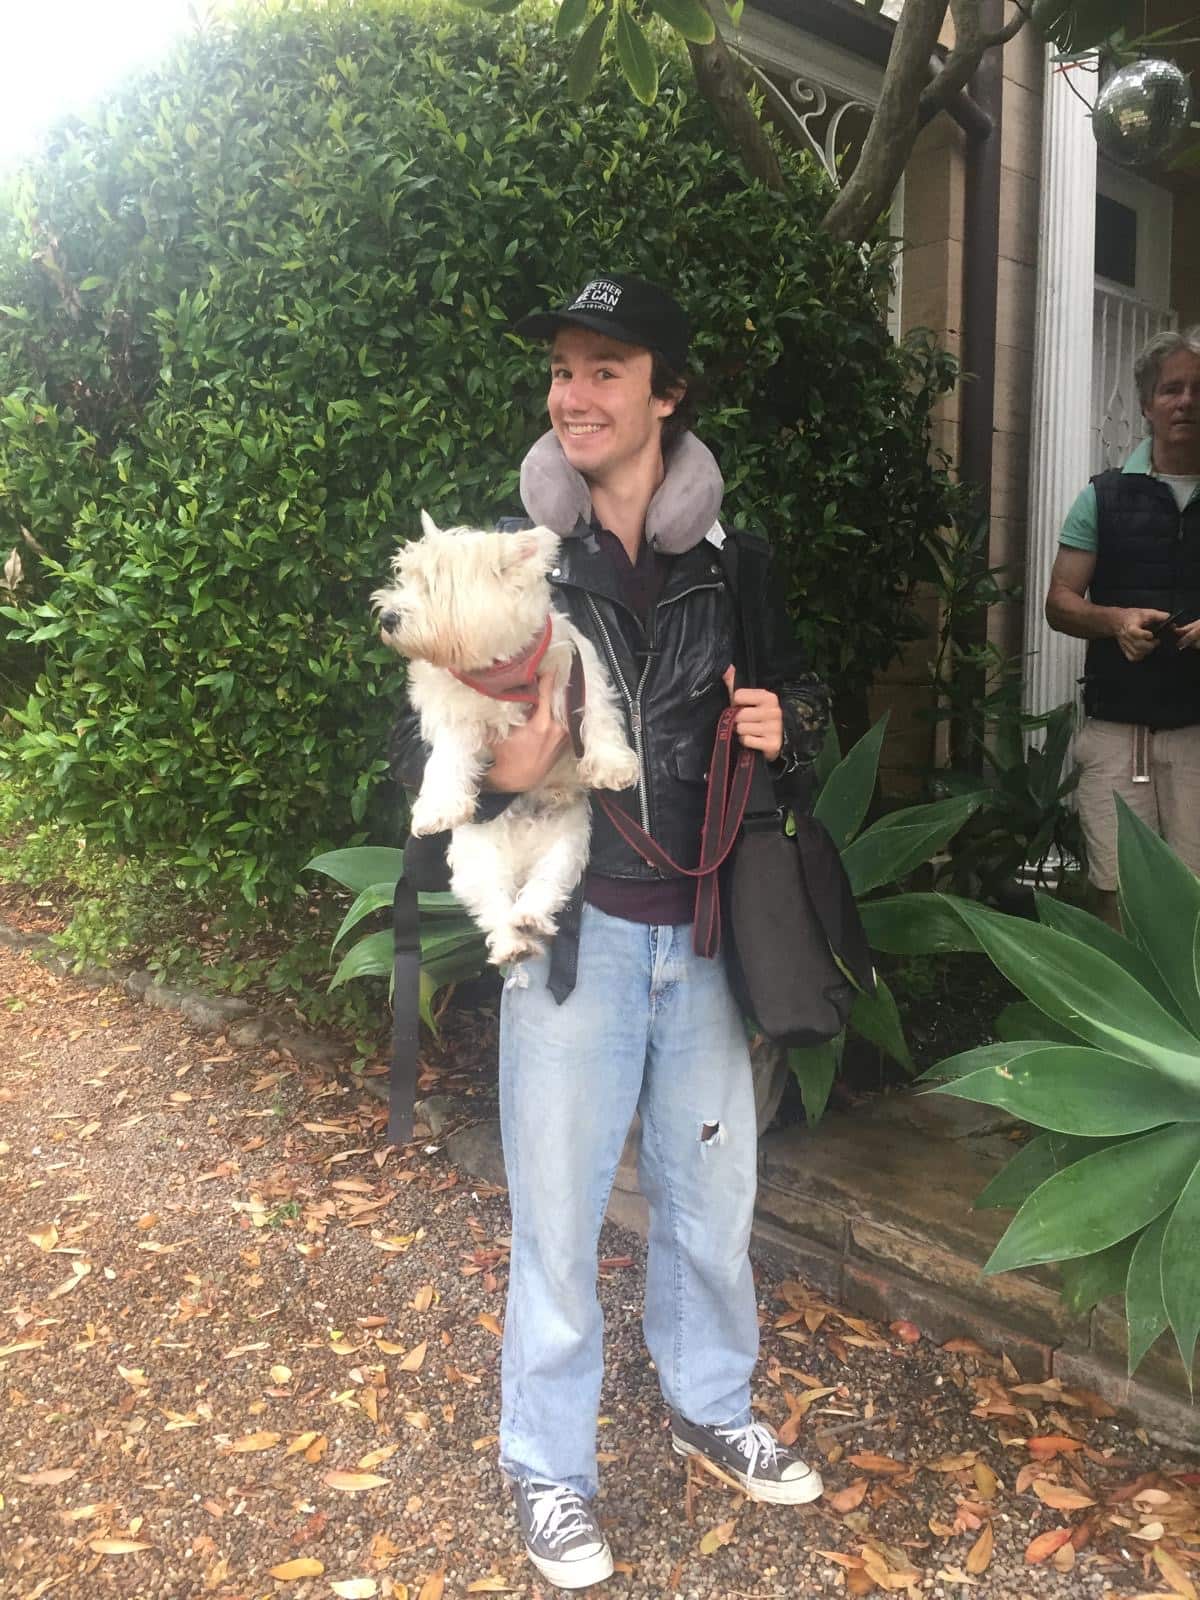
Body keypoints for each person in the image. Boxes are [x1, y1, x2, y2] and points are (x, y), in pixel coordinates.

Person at [391, 273, 830, 1589]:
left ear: (666, 392)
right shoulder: (516, 565)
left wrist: (783, 723)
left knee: (710, 1212)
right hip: (577, 943)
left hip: (703, 943)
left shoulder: (732, 562)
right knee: (562, 1223)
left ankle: (709, 1405)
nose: (573, 395)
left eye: (605, 370)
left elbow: (804, 686)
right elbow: (436, 736)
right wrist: (508, 774)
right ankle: (549, 1471)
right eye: (563, 371)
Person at [1044, 326, 1200, 927]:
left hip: (1197, 732)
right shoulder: (1102, 498)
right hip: (1116, 730)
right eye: (1171, 389)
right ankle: (1118, 1018)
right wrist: (1116, 622)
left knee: (1192, 901)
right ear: (1147, 404)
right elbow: (1060, 602)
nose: (1186, 401)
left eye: (1197, 389)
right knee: (1112, 892)